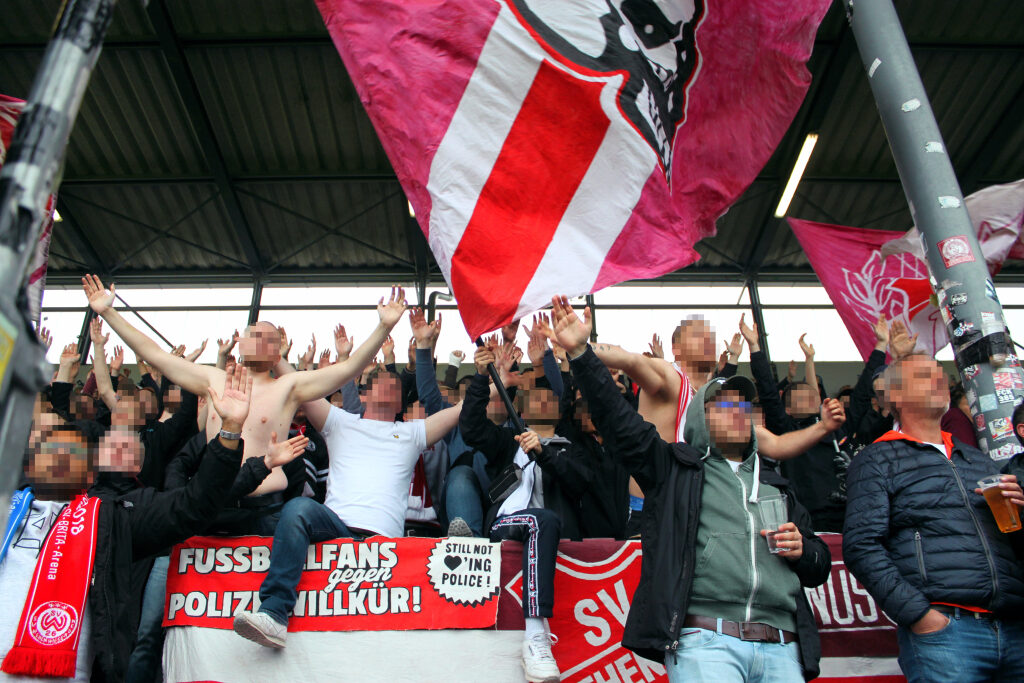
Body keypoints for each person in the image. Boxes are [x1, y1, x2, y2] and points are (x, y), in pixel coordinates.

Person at [550, 295, 832, 682]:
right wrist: (583, 351)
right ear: (700, 419)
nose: (736, 412)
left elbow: (818, 564)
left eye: (742, 406)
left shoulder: (775, 488)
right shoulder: (677, 473)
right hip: (707, 641)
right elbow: (619, 417)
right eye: (722, 406)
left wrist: (805, 552)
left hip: (782, 648)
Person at [1, 364, 255, 682]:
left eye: (70, 449)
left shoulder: (112, 515)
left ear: (90, 468)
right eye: (47, 445)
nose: (57, 453)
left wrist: (230, 430)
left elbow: (193, 504)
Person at [81, 275, 405, 500]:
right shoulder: (213, 380)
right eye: (252, 333)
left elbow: (349, 368)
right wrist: (109, 312)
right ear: (240, 343)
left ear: (277, 353)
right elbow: (155, 355)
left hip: (264, 507)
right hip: (210, 503)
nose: (255, 338)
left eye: (266, 337)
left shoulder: (288, 386)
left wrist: (383, 327)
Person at [231, 356, 462, 648]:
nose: (389, 389)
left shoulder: (413, 432)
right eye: (381, 385)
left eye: (395, 388)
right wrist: (275, 358)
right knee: (298, 509)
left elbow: (461, 409)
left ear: (402, 404)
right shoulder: (339, 421)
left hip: (384, 543)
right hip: (335, 528)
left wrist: (499, 380)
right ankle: (274, 615)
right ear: (363, 394)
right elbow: (297, 385)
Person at [843, 354, 1024, 682]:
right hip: (947, 632)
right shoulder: (877, 459)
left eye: (941, 374)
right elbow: (861, 546)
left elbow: (1013, 542)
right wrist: (919, 615)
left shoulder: (977, 460)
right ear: (896, 396)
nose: (940, 380)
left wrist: (1021, 512)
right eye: (925, 376)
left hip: (1014, 627)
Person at [460, 343, 593, 683]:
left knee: (544, 520)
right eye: (534, 396)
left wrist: (544, 454)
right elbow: (472, 428)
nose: (542, 399)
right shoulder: (507, 443)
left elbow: (581, 482)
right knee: (540, 519)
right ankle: (535, 636)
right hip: (506, 526)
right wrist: (479, 379)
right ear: (518, 406)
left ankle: (536, 635)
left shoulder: (572, 448)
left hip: (549, 529)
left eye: (549, 396)